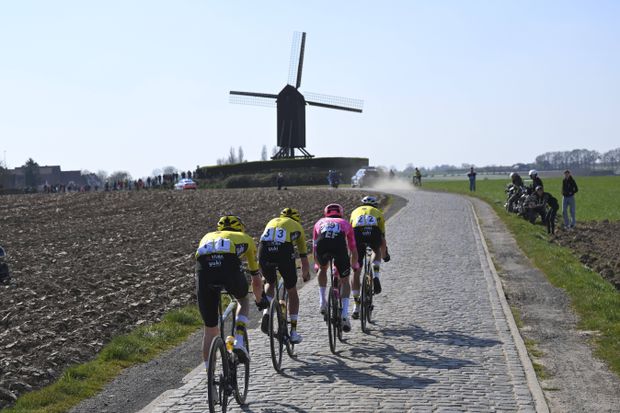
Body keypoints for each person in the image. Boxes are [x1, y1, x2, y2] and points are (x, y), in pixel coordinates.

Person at [194, 215, 268, 366]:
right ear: (240, 228)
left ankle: (209, 374)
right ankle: (238, 340)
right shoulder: (244, 238)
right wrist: (259, 300)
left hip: (204, 270)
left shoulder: (207, 236)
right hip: (229, 266)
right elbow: (256, 278)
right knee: (243, 299)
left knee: (210, 329)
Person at [258, 208, 310, 344]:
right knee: (292, 290)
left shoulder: (272, 221)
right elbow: (304, 258)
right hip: (283, 250)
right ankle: (293, 332)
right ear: (296, 219)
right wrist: (305, 274)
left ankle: (266, 312)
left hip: (264, 249)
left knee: (270, 282)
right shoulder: (297, 226)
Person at [313, 204, 359, 332]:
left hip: (322, 245)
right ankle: (344, 314)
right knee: (345, 280)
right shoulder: (345, 223)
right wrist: (354, 265)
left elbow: (314, 246)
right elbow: (353, 247)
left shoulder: (319, 222)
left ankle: (322, 302)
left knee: (322, 269)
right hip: (338, 246)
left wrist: (317, 264)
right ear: (341, 213)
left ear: (325, 213)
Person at [349, 196, 390, 320]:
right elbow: (382, 236)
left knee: (356, 272)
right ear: (375, 205)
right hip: (373, 233)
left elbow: (350, 230)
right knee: (376, 250)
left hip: (357, 233)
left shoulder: (355, 211)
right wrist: (385, 255)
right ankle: (376, 274)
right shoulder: (378, 212)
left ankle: (356, 306)